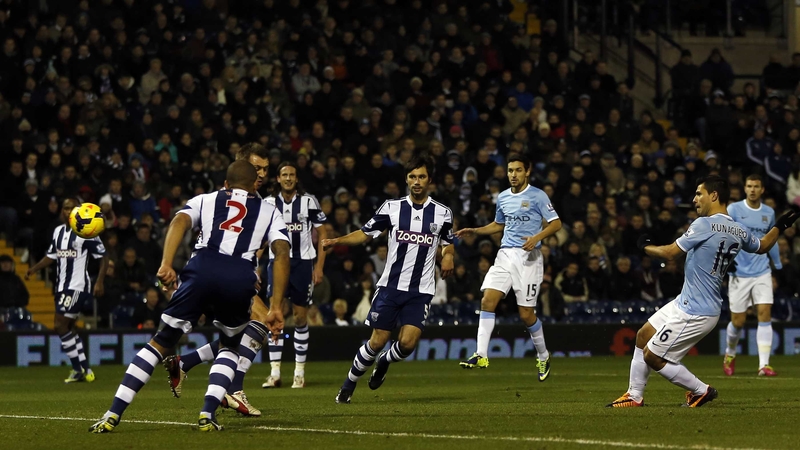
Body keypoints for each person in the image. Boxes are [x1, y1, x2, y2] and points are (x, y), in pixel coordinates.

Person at [89, 161, 290, 433]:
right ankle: (207, 414)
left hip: (201, 270)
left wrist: (166, 263)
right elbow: (281, 252)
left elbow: (179, 221)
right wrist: (276, 305)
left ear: (226, 184)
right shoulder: (270, 211)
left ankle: (113, 413)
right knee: (230, 347)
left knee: (160, 342)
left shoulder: (207, 199)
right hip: (239, 277)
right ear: (256, 184)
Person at [607, 176, 799, 408]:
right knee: (643, 335)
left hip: (696, 310)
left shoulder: (703, 224)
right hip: (688, 302)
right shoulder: (739, 229)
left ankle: (700, 390)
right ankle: (634, 395)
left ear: (714, 195)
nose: (694, 199)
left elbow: (669, 254)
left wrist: (644, 246)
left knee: (652, 355)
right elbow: (763, 246)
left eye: (699, 193)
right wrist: (780, 226)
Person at [322, 155, 455, 404]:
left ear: (430, 180)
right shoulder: (392, 208)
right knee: (377, 340)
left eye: (422, 177)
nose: (417, 181)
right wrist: (337, 240)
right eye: (413, 177)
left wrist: (448, 256)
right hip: (390, 287)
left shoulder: (443, 213)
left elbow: (448, 244)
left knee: (406, 344)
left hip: (421, 290)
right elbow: (364, 234)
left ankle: (386, 360)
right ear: (406, 179)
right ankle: (348, 384)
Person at [162, 143, 276, 417]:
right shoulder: (230, 197)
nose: (261, 174)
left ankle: (184, 362)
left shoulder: (255, 201)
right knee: (259, 324)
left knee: (236, 335)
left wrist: (254, 268)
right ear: (243, 165)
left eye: (265, 169)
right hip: (218, 274)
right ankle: (233, 389)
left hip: (223, 275)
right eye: (257, 167)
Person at [456, 155, 562, 382]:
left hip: (529, 258)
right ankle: (481, 354)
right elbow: (498, 225)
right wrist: (475, 230)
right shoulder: (503, 197)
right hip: (505, 254)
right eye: (510, 170)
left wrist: (537, 237)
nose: (513, 174)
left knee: (526, 315)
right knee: (487, 301)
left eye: (518, 170)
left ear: (527, 171)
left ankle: (543, 355)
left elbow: (556, 223)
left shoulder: (538, 195)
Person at [26, 198, 107, 383]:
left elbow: (104, 256)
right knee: (68, 328)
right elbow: (51, 255)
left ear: (79, 212)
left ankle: (79, 369)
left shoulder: (87, 232)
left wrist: (100, 281)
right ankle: (84, 368)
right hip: (61, 286)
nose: (67, 211)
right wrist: (35, 268)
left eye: (72, 208)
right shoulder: (58, 231)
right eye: (65, 208)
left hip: (78, 285)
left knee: (59, 325)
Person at [262, 161, 327, 389]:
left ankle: (299, 372)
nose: (288, 178)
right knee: (275, 314)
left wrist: (319, 266)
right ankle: (275, 372)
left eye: (292, 175)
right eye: (284, 175)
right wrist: (254, 263)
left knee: (300, 318)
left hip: (302, 263)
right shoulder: (268, 203)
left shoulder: (308, 201)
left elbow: (323, 232)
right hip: (276, 263)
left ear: (296, 179)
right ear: (278, 179)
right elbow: (259, 235)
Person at [724, 174, 782, 376]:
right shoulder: (734, 210)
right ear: (744, 188)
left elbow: (771, 239)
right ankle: (730, 353)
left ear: (762, 189)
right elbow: (725, 235)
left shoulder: (769, 212)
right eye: (749, 186)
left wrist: (778, 265)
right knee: (738, 322)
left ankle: (763, 365)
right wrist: (726, 261)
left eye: (756, 186)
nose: (752, 190)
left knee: (765, 313)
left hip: (762, 271)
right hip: (739, 272)